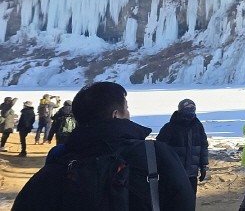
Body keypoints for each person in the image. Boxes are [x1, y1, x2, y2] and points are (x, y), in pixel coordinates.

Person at [12, 82, 196, 211]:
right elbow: (183, 202)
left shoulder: (53, 170)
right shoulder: (156, 155)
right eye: (127, 107)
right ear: (116, 114)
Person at [156, 99, 209, 194]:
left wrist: (203, 165)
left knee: (190, 200)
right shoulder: (169, 127)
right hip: (175, 173)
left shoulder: (198, 126)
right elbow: (160, 149)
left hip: (192, 174)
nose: (191, 111)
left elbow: (203, 146)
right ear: (180, 110)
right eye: (187, 108)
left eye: (193, 108)